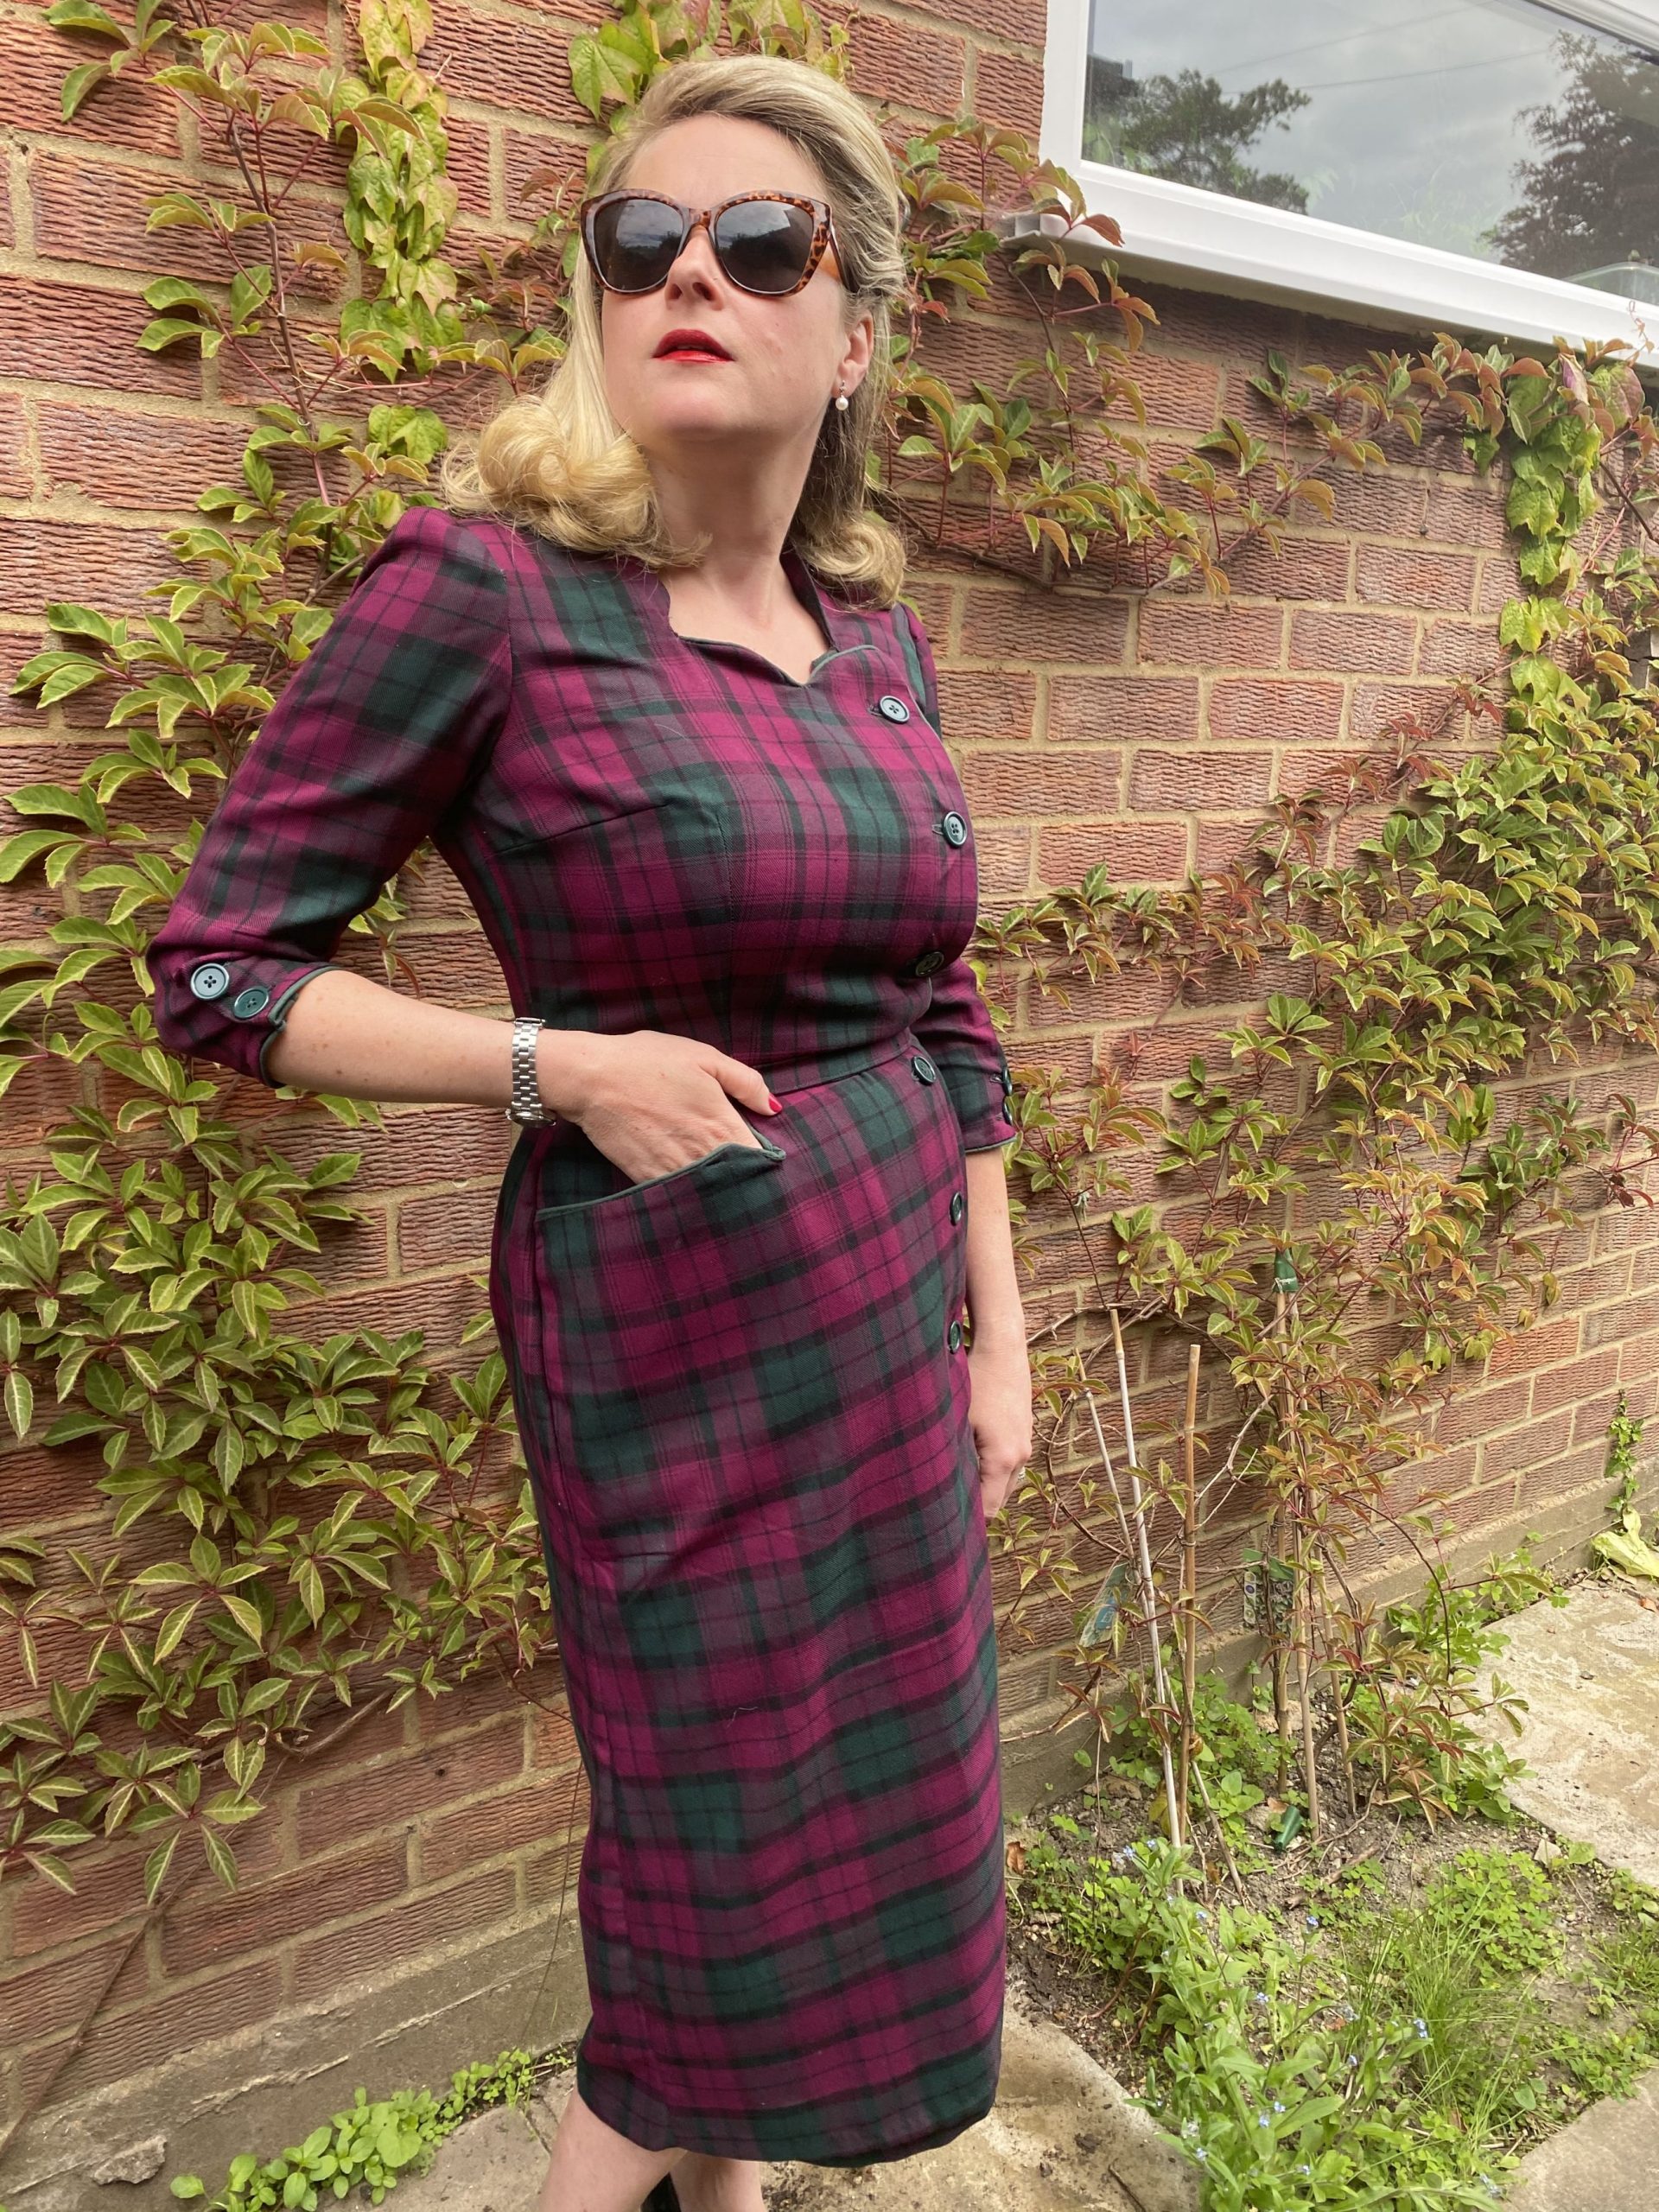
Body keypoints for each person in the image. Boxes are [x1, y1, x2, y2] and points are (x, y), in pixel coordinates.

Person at [147, 49, 1032, 2212]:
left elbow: (944, 1011)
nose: (688, 278)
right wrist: (553, 1063)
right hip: (674, 1351)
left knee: (863, 1829)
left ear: (857, 331)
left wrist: (997, 1340)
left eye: (759, 243)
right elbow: (220, 969)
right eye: (643, 243)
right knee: (712, 1871)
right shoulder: (489, 595)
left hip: (889, 1334)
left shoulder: (878, 644)